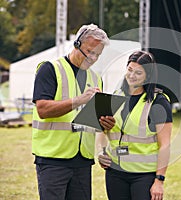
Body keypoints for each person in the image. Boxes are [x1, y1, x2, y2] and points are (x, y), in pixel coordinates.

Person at [32, 23, 115, 200]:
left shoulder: (96, 78)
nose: (93, 58)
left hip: (82, 161)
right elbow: (43, 109)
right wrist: (79, 100)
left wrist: (106, 123)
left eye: (97, 55)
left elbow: (95, 122)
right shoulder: (50, 69)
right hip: (53, 160)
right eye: (90, 52)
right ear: (77, 44)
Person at [97, 51, 173, 200]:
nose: (132, 75)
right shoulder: (116, 95)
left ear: (148, 76)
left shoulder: (159, 103)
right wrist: (101, 152)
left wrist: (159, 180)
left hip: (144, 176)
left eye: (138, 72)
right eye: (130, 70)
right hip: (115, 172)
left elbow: (165, 145)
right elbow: (102, 129)